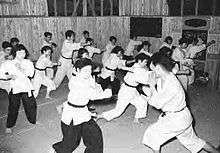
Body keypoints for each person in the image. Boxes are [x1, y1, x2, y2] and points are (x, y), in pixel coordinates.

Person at [142, 53, 220, 153]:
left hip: (176, 119)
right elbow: (155, 83)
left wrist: (151, 87)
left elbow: (157, 104)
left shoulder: (172, 84)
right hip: (181, 117)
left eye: (153, 69)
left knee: (152, 134)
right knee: (194, 141)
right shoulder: (166, 76)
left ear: (158, 68)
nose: (152, 72)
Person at [51, 58, 112, 153]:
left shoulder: (88, 78)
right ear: (78, 70)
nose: (88, 73)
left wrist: (99, 85)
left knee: (95, 135)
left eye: (90, 70)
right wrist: (107, 91)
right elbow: (93, 95)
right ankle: (56, 149)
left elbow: (95, 87)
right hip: (72, 115)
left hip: (83, 112)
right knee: (72, 143)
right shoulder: (76, 82)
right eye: (86, 70)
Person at [97, 53, 154, 123]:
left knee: (142, 102)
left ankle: (136, 119)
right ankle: (99, 116)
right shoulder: (137, 69)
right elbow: (143, 79)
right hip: (126, 91)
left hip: (132, 90)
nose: (145, 64)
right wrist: (152, 80)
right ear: (139, 61)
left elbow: (145, 73)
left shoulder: (137, 67)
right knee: (118, 110)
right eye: (145, 62)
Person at [0, 44, 37, 134]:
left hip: (26, 87)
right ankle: (9, 125)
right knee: (13, 107)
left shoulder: (28, 62)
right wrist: (9, 76)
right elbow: (1, 74)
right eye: (20, 52)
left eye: (24, 52)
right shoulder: (9, 63)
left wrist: (21, 68)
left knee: (31, 105)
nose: (22, 54)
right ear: (15, 53)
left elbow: (31, 74)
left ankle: (32, 120)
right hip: (15, 87)